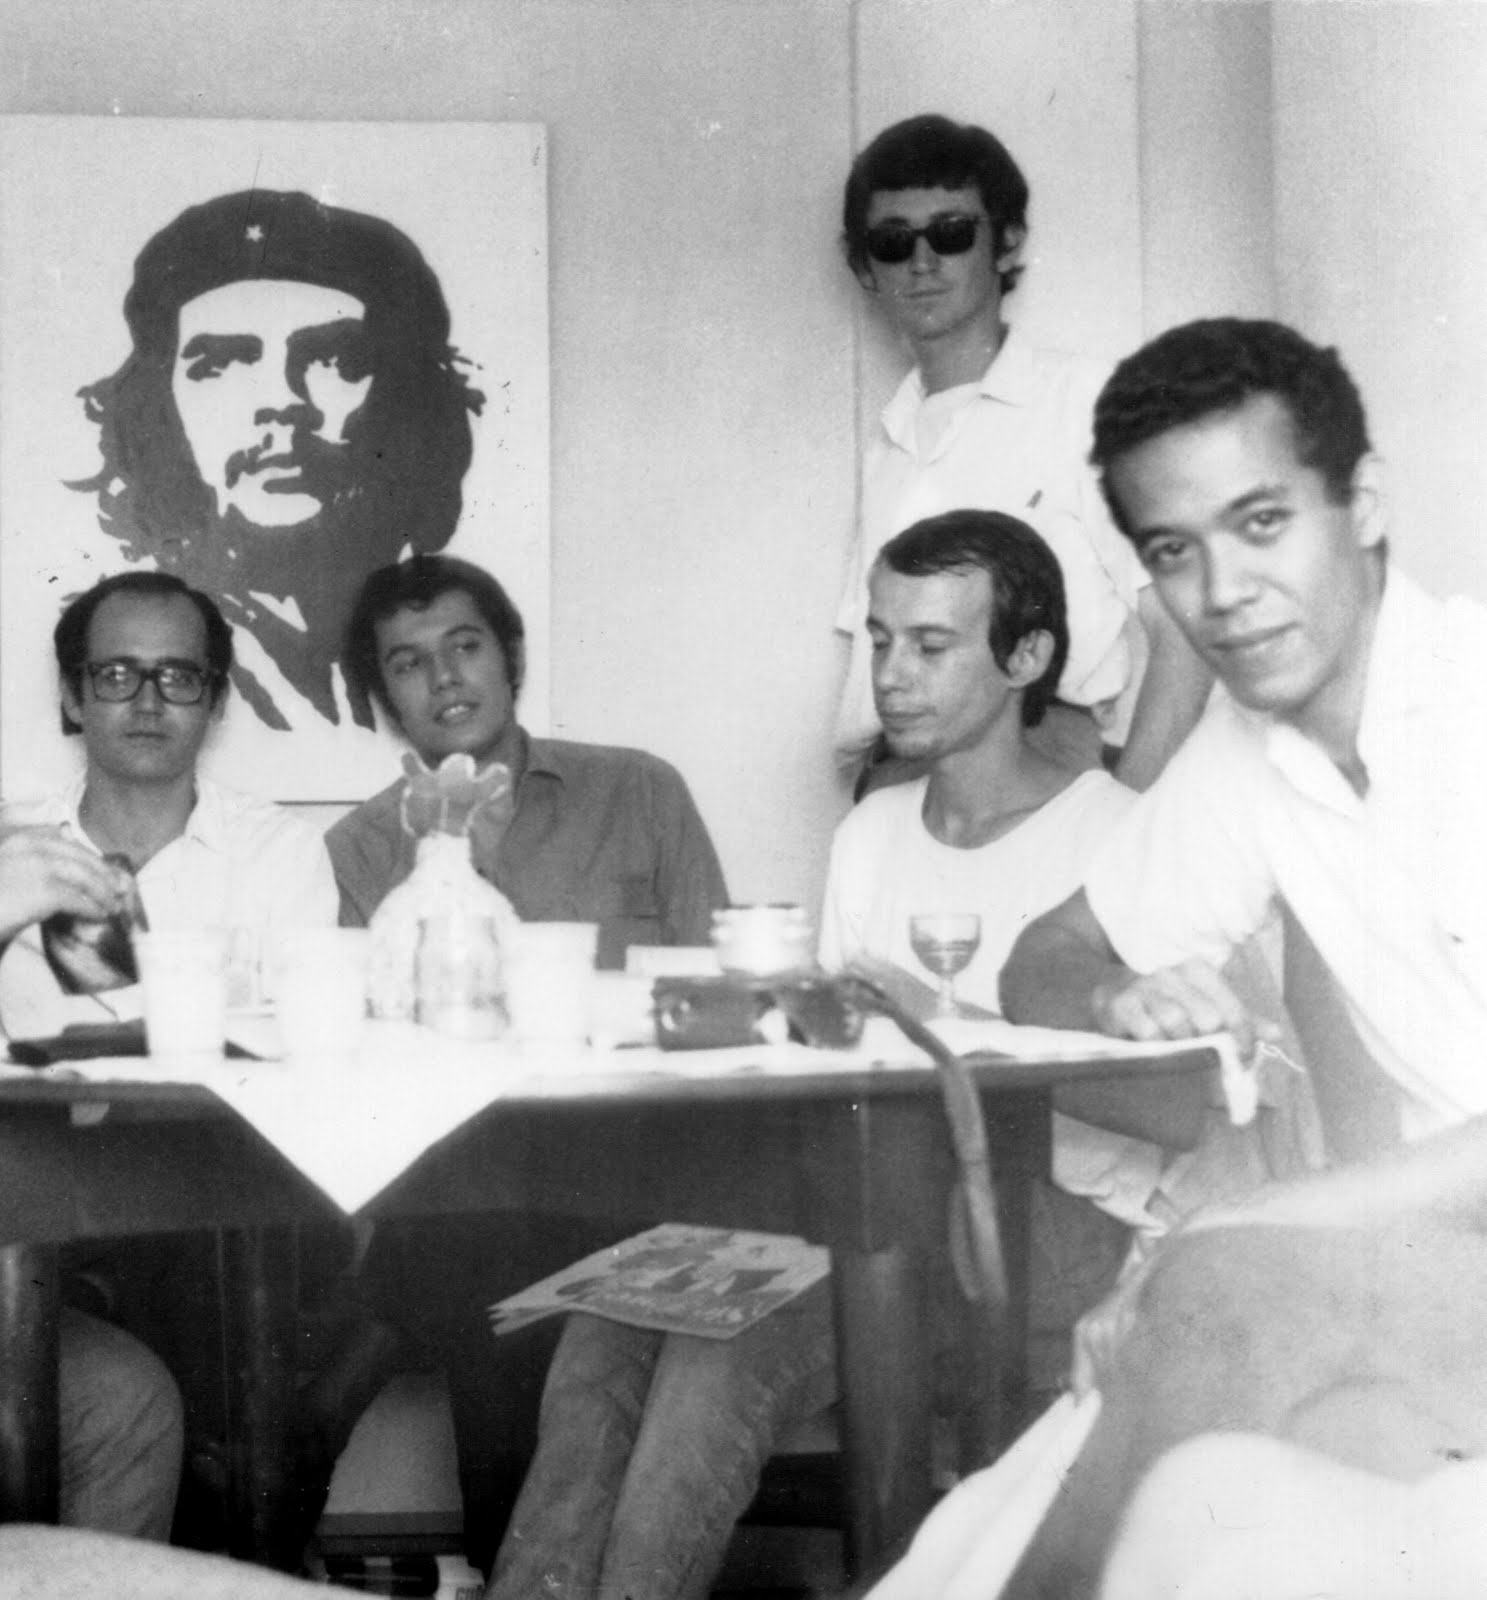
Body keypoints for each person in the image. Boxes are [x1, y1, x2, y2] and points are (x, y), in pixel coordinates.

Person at [990, 318, 1487, 1596]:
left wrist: (1240, 1220)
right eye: (1173, 550)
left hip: (1432, 1251)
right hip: (1439, 1265)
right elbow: (1040, 960)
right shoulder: (1245, 750)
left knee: (1224, 1298)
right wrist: (1116, 989)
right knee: (1236, 1454)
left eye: (1260, 523)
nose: (1220, 593)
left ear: (1361, 503)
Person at [322, 554, 734, 1581]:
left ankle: (507, 1570)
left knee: (489, 1274)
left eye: (464, 646)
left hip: (644, 1166)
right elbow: (373, 1060)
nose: (443, 677)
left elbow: (722, 1002)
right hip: (463, 1179)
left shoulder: (638, 789)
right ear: (384, 699)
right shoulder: (361, 846)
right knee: (482, 1250)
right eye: (407, 663)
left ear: (510, 657)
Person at [0, 570, 338, 1547]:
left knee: (231, 1308)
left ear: (214, 701)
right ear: (73, 697)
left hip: (212, 1207)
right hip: (31, 1210)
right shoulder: (9, 849)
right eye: (116, 674)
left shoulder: (277, 853)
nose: (147, 701)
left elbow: (302, 1060)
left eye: (177, 677)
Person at [835, 114, 1210, 791]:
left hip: (1043, 773)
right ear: (865, 266)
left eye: (951, 233)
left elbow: (1187, 628)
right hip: (897, 789)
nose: (921, 262)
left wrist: (1122, 817)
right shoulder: (889, 445)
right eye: (892, 242)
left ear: (1006, 244)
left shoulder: (1088, 404)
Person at [72, 190, 485, 732]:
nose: (282, 401)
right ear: (160, 413)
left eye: (334, 359)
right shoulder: (122, 654)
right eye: (222, 363)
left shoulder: (430, 650)